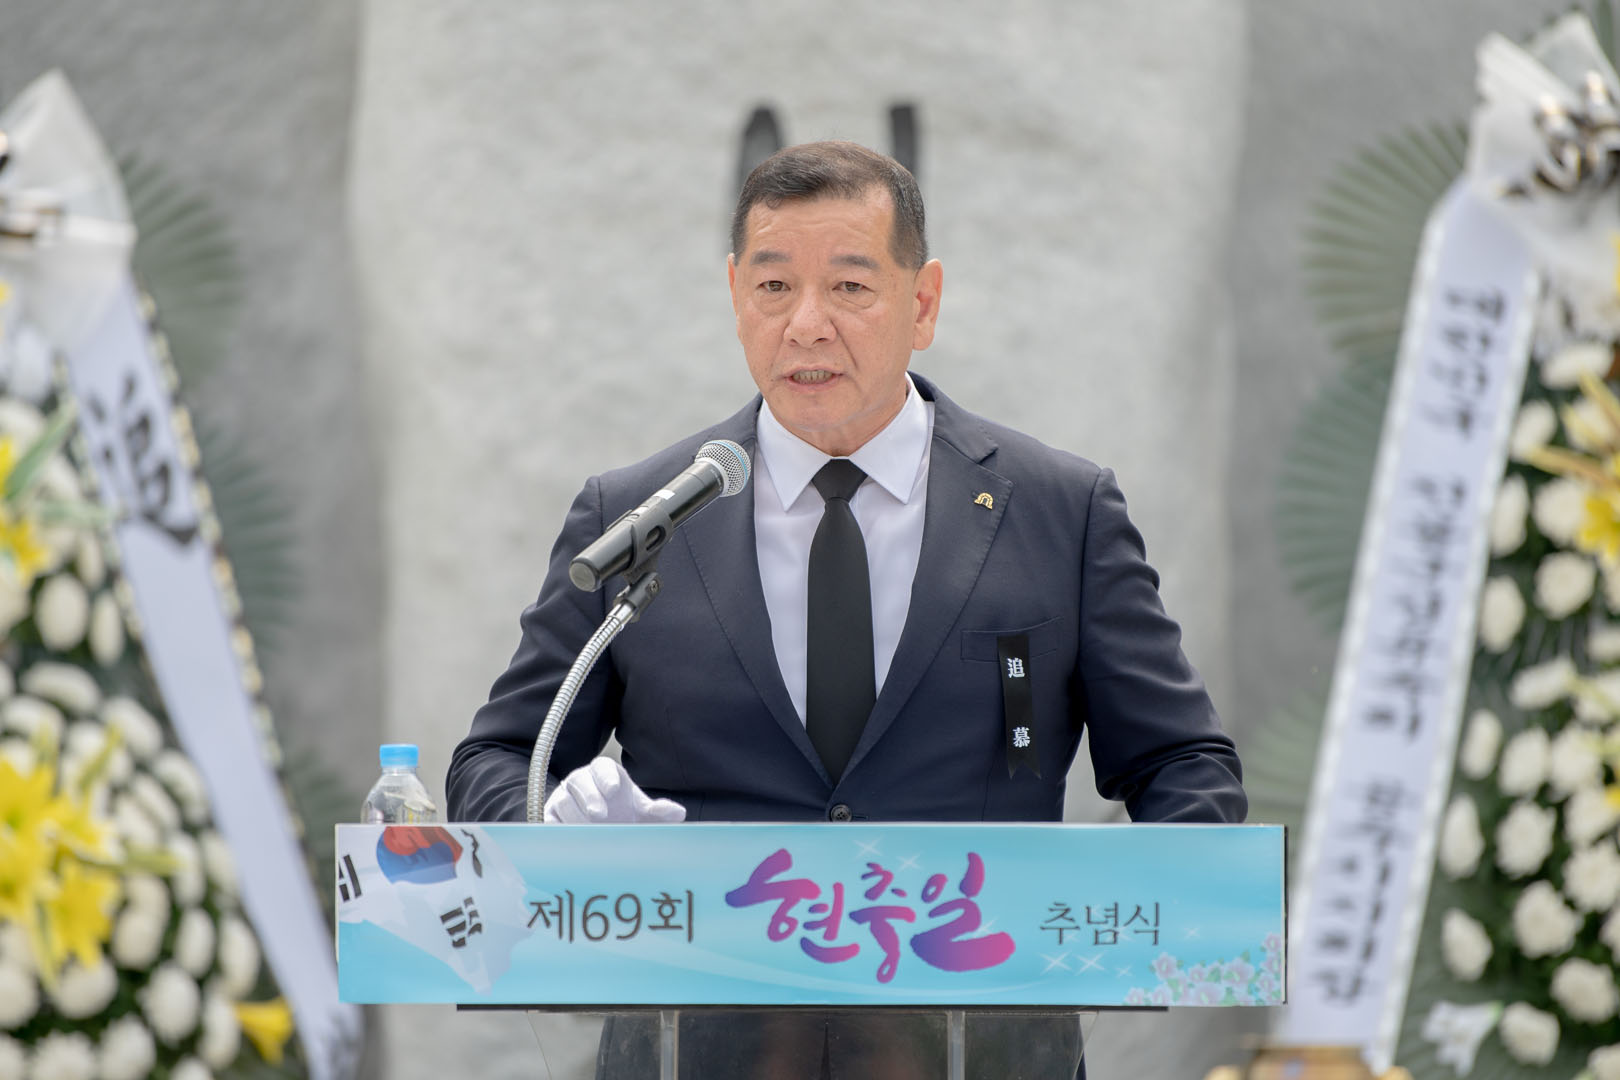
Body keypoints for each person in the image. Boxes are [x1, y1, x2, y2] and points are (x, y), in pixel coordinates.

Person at [447, 140, 1244, 1076]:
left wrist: (1128, 930)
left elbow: (1183, 763)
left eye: (851, 288)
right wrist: (554, 831)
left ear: (924, 303)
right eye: (773, 287)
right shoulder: (638, 518)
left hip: (979, 1043)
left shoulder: (1060, 512)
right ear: (735, 296)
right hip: (696, 1046)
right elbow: (498, 755)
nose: (806, 325)